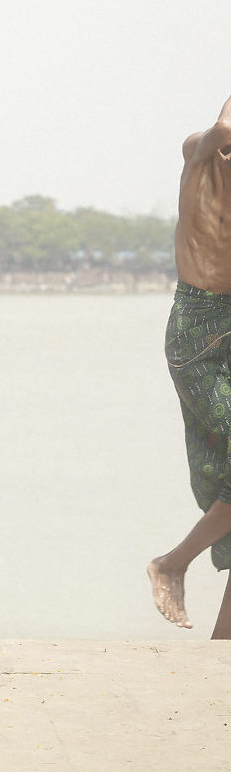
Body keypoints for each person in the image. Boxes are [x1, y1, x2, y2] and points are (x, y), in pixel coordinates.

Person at [149, 93, 231, 637]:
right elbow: (221, 130)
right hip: (199, 331)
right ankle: (172, 562)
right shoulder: (200, 152)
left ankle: (220, 658)